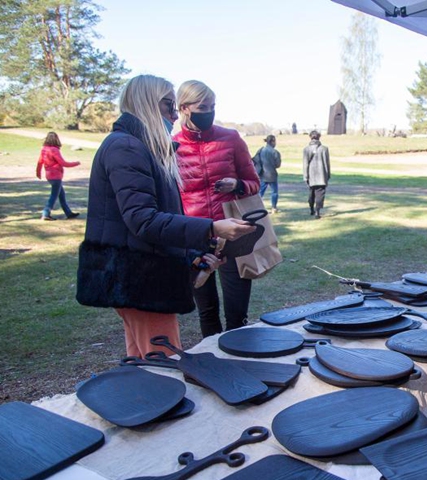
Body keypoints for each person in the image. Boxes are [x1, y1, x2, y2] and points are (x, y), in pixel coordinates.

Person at [76, 74, 254, 358]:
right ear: (147, 103)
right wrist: (212, 228)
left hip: (141, 275)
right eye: (168, 105)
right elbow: (143, 220)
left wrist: (194, 255)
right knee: (163, 366)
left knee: (143, 362)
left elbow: (155, 217)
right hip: (141, 279)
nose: (173, 115)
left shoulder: (135, 146)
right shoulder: (127, 147)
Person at [173, 80, 261, 338]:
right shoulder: (172, 146)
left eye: (212, 106)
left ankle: (239, 353)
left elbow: (254, 182)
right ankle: (213, 357)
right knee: (207, 311)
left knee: (237, 312)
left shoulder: (230, 138)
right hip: (195, 235)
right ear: (184, 108)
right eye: (203, 107)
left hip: (233, 234)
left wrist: (238, 185)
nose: (209, 112)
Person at [36, 132, 81, 220]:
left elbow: (40, 162)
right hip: (56, 176)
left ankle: (68, 213)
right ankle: (46, 213)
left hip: (49, 176)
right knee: (53, 196)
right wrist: (76, 163)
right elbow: (63, 163)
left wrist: (38, 173)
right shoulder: (54, 150)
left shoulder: (44, 149)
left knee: (61, 195)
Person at [302, 130, 331, 219]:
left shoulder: (306, 149)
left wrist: (305, 176)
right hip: (322, 175)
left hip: (311, 176)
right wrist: (328, 175)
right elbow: (327, 163)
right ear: (319, 137)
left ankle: (311, 208)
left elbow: (305, 164)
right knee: (320, 194)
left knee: (311, 193)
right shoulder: (324, 149)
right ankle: (317, 211)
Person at [253, 134, 282, 213]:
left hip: (262, 174)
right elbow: (278, 165)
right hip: (272, 174)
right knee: (274, 192)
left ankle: (256, 207)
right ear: (272, 141)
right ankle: (274, 208)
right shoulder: (275, 152)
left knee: (260, 192)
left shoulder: (261, 150)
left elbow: (255, 160)